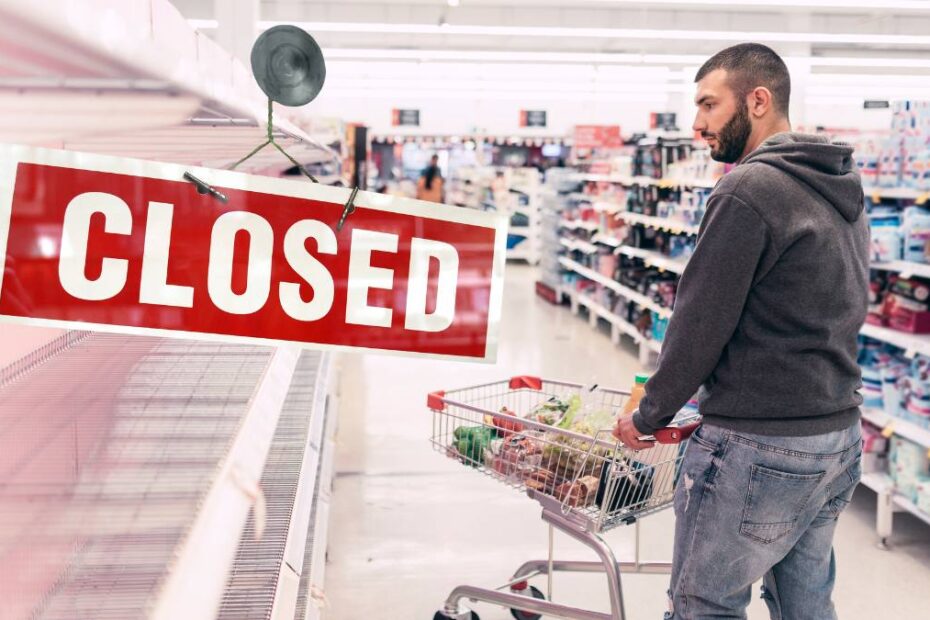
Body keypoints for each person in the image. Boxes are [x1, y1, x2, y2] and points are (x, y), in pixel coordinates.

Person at [613, 43, 868, 619]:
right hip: (835, 436)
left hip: (759, 442)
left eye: (708, 104)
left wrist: (649, 415)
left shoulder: (749, 189)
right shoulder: (841, 185)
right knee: (804, 605)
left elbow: (699, 324)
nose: (697, 123)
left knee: (705, 605)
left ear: (757, 101)